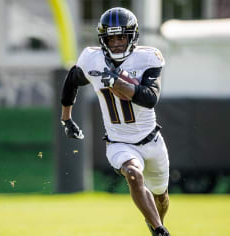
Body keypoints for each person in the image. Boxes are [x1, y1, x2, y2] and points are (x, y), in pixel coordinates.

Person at [60, 7, 171, 236]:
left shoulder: (148, 57)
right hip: (119, 142)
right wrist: (66, 118)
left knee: (161, 196)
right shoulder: (93, 59)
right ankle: (160, 230)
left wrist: (118, 83)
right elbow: (72, 79)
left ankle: (155, 222)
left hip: (152, 140)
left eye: (122, 37)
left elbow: (150, 99)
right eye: (111, 38)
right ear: (103, 40)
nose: (117, 43)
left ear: (132, 37)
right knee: (133, 174)